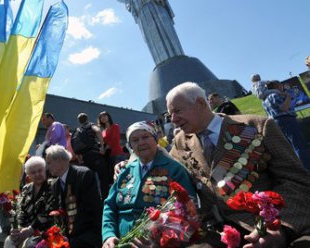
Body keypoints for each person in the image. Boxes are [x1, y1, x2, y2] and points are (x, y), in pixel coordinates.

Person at [165, 82, 310, 247]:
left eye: (177, 111)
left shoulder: (256, 127)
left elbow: (296, 182)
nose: (173, 120)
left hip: (271, 225)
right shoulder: (180, 142)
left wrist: (277, 227)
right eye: (170, 114)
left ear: (200, 103)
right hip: (217, 234)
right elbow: (163, 170)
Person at [102, 121, 196, 248]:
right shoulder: (124, 172)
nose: (141, 142)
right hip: (120, 242)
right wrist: (108, 235)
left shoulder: (174, 169)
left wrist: (162, 240)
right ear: (130, 146)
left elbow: (189, 209)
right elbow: (110, 206)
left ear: (156, 140)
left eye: (145, 137)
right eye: (135, 140)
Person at [45, 145, 102, 248]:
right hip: (69, 237)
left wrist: (69, 241)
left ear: (59, 160)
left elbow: (90, 210)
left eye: (49, 163)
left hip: (87, 236)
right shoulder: (55, 184)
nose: (47, 167)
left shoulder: (84, 174)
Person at [5, 156, 58, 248]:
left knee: (30, 244)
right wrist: (17, 229)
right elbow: (20, 210)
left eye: (40, 170)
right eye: (33, 172)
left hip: (45, 231)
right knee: (9, 241)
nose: (37, 174)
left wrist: (30, 230)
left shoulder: (52, 186)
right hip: (25, 230)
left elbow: (48, 213)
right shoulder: (26, 188)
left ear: (45, 170)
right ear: (28, 175)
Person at [262, 80, 310, 170]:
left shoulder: (264, 100)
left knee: (291, 146)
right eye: (280, 84)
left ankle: (301, 168)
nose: (282, 86)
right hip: (286, 121)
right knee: (299, 144)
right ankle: (307, 167)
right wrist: (288, 96)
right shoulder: (275, 95)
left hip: (277, 124)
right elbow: (284, 108)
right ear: (276, 86)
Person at [72, 113, 109, 200]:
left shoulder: (77, 130)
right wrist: (102, 146)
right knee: (103, 177)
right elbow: (98, 131)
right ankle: (105, 198)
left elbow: (75, 145)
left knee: (90, 179)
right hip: (94, 155)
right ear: (87, 119)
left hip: (84, 158)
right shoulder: (90, 125)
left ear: (79, 121)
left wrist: (79, 159)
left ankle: (93, 198)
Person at [98, 111, 126, 182]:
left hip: (117, 153)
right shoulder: (103, 131)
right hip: (109, 155)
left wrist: (104, 149)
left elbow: (115, 139)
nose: (103, 118)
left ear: (108, 117)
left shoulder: (115, 126)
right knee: (113, 175)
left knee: (121, 173)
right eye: (101, 117)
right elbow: (103, 142)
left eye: (104, 116)